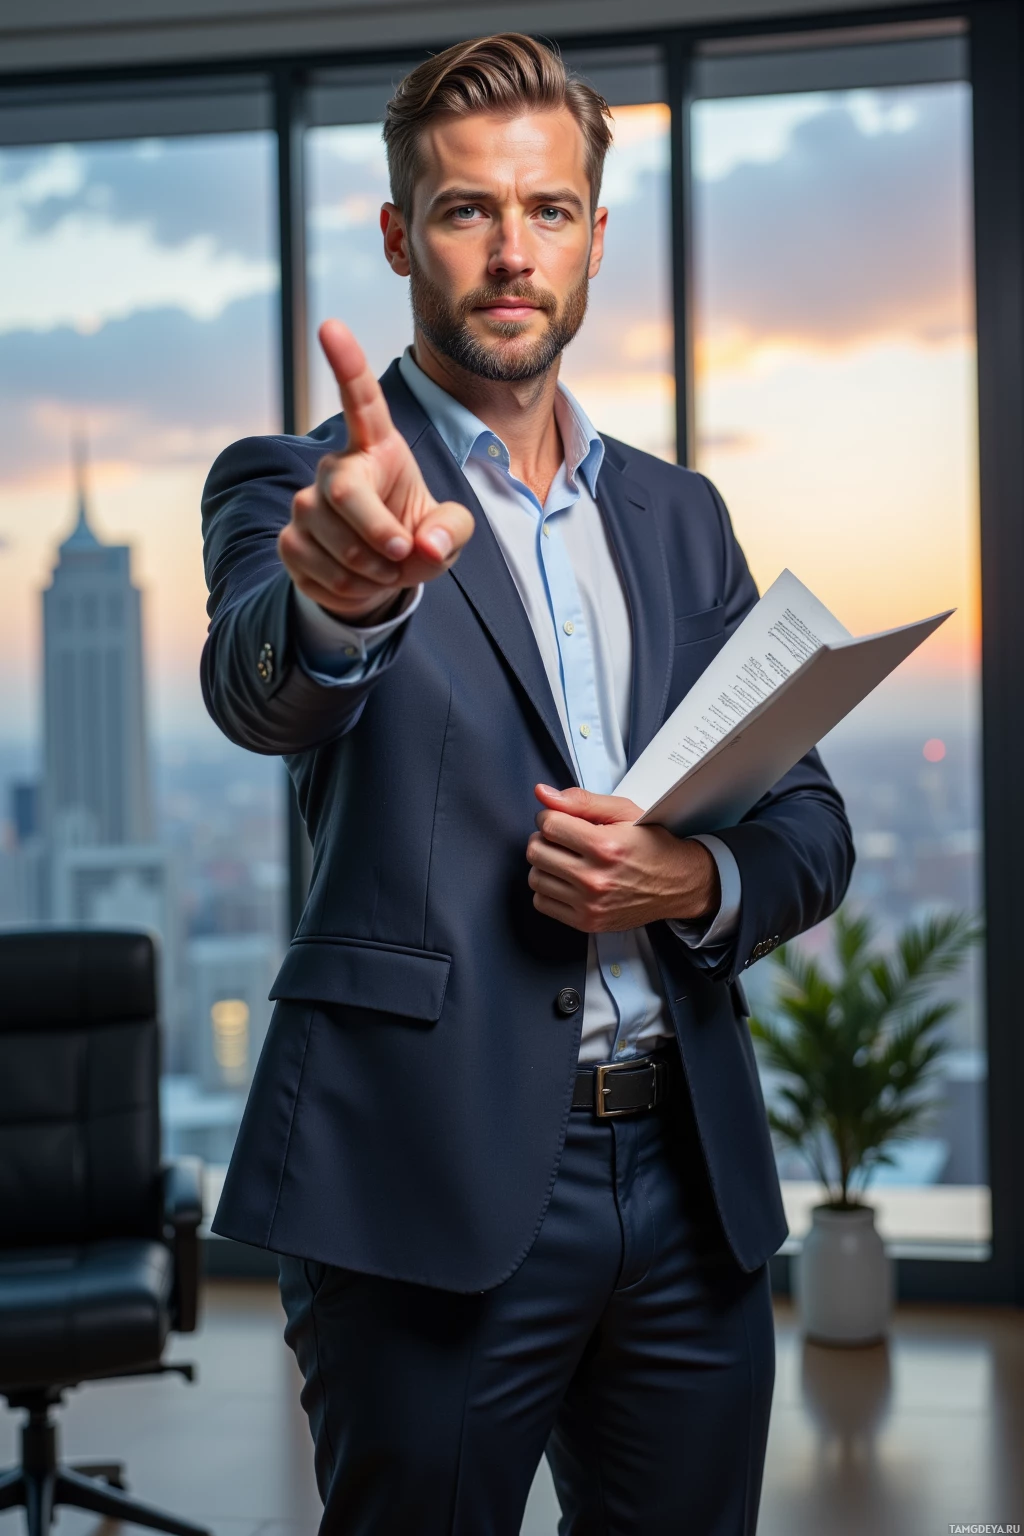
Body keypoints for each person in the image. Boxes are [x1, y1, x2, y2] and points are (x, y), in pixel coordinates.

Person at [201, 33, 853, 1535]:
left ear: (597, 240)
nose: (512, 251)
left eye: (548, 211)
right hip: (420, 1181)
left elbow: (809, 826)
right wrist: (343, 598)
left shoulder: (683, 520)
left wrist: (691, 882)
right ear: (396, 235)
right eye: (465, 211)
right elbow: (260, 687)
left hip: (689, 1190)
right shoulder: (301, 487)